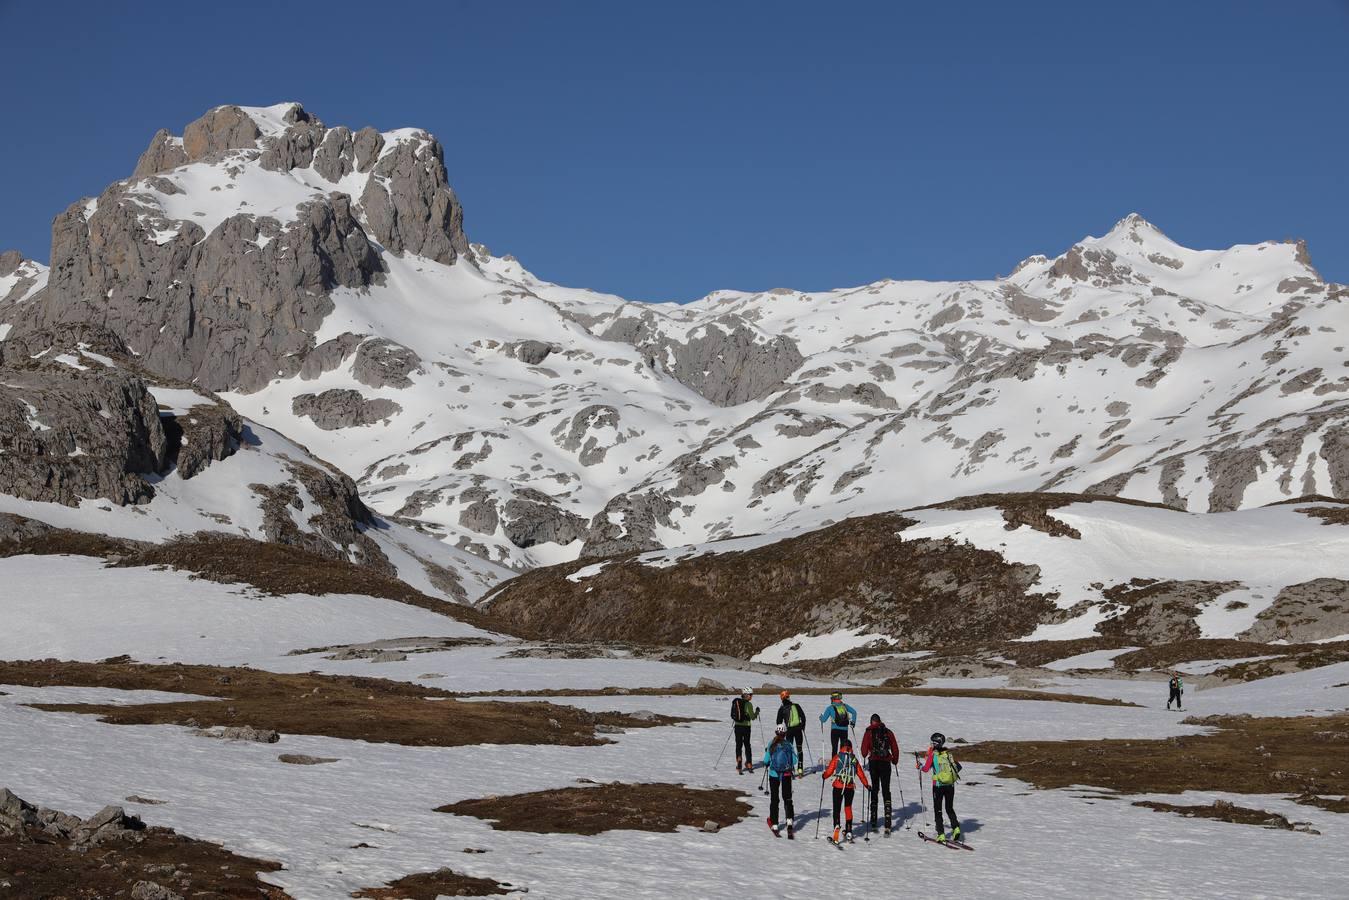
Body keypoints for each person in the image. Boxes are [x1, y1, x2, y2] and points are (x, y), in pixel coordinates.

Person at [821, 736, 870, 843]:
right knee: (848, 808)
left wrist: (824, 776)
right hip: (850, 787)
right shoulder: (854, 759)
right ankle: (849, 830)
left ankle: (837, 826)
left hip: (838, 786)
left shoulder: (837, 757)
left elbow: (829, 771)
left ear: (841, 746)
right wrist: (867, 785)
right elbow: (861, 774)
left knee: (837, 808)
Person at [918, 732, 962, 844]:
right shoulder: (948, 753)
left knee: (938, 810)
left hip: (938, 786)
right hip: (950, 785)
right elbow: (958, 767)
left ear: (936, 743)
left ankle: (941, 835)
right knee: (949, 808)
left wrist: (920, 766)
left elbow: (926, 768)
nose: (931, 744)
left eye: (932, 742)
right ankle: (956, 828)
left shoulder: (933, 755)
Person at [860, 712, 899, 834]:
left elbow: (864, 752)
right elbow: (895, 747)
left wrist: (869, 752)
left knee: (875, 789)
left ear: (871, 722)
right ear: (880, 721)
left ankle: (873, 820)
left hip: (874, 763)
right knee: (886, 790)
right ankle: (888, 822)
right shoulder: (888, 732)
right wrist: (894, 760)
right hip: (886, 763)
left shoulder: (869, 732)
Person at [762, 724, 798, 838]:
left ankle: (775, 824)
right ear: (785, 733)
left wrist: (768, 762)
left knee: (774, 799)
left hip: (774, 774)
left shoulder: (772, 744)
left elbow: (766, 760)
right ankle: (789, 821)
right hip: (786, 774)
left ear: (776, 733)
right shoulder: (789, 745)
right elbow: (795, 760)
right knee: (787, 798)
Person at [775, 690, 807, 774]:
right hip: (798, 730)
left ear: (782, 698)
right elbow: (803, 717)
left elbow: (778, 721)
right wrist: (802, 727)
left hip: (789, 731)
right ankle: (800, 768)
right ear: (788, 697)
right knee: (799, 748)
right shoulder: (796, 706)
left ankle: (790, 767)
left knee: (789, 749)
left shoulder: (782, 708)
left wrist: (782, 728)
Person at [818, 691, 857, 756]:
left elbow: (824, 720)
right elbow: (854, 712)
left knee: (834, 748)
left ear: (832, 699)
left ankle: (834, 764)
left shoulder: (830, 708)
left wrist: (821, 717)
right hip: (844, 730)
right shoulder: (845, 706)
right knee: (843, 748)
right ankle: (842, 763)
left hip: (835, 730)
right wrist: (853, 722)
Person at [730, 687, 759, 774]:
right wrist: (757, 712)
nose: (751, 696)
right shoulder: (749, 704)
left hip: (738, 726)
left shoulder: (737, 702)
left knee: (738, 745)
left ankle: (739, 761)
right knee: (747, 745)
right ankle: (749, 763)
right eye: (751, 695)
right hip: (747, 727)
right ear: (747, 695)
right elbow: (752, 717)